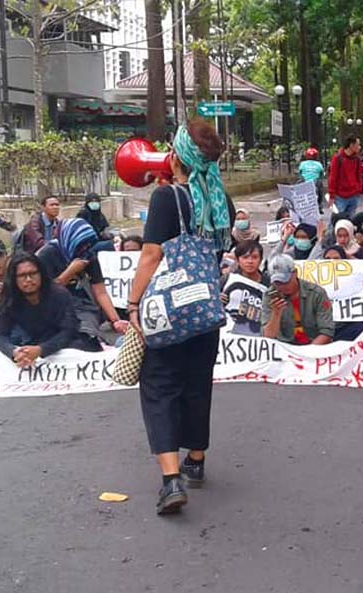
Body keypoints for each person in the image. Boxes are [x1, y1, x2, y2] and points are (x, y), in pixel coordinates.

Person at [126, 118, 230, 515]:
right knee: (197, 384)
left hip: (169, 313)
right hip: (206, 309)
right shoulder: (221, 200)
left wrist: (133, 304)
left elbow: (151, 256)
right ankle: (196, 461)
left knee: (159, 385)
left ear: (178, 156)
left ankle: (171, 482)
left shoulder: (168, 199)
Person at [0, 253, 98, 368]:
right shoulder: (8, 298)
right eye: (22, 275)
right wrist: (14, 352)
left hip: (61, 344)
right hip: (32, 343)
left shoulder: (59, 294)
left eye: (33, 274)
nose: (28, 279)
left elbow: (69, 331)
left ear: (41, 274)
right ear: (14, 279)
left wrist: (41, 350)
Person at [36, 218, 128, 345]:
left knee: (87, 331)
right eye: (81, 246)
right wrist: (69, 272)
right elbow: (42, 292)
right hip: (52, 307)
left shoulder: (88, 255)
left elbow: (100, 292)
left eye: (88, 246)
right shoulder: (47, 255)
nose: (85, 250)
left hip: (82, 306)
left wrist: (115, 320)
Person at [262, 254, 334, 345]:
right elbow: (268, 337)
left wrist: (306, 353)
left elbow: (326, 332)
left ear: (295, 273)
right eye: (278, 283)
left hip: (314, 346)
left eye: (286, 281)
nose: (283, 286)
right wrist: (276, 314)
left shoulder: (317, 293)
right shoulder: (269, 296)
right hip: (285, 348)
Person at [328, 136, 363, 217]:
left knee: (350, 221)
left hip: (353, 195)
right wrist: (332, 195)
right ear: (351, 145)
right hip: (340, 196)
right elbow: (333, 177)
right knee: (337, 219)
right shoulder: (338, 158)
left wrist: (358, 190)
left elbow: (359, 176)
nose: (359, 147)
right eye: (358, 144)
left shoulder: (357, 159)